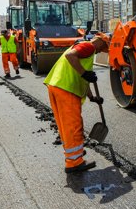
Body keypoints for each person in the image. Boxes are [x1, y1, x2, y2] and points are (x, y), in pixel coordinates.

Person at [44, 33, 110, 174]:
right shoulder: (89, 47)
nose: (101, 51)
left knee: (65, 125)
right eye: (103, 48)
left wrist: (92, 97)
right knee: (73, 126)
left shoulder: (82, 46)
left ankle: (74, 154)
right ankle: (74, 162)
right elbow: (71, 58)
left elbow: (82, 79)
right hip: (66, 89)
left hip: (57, 86)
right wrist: (84, 73)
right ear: (100, 42)